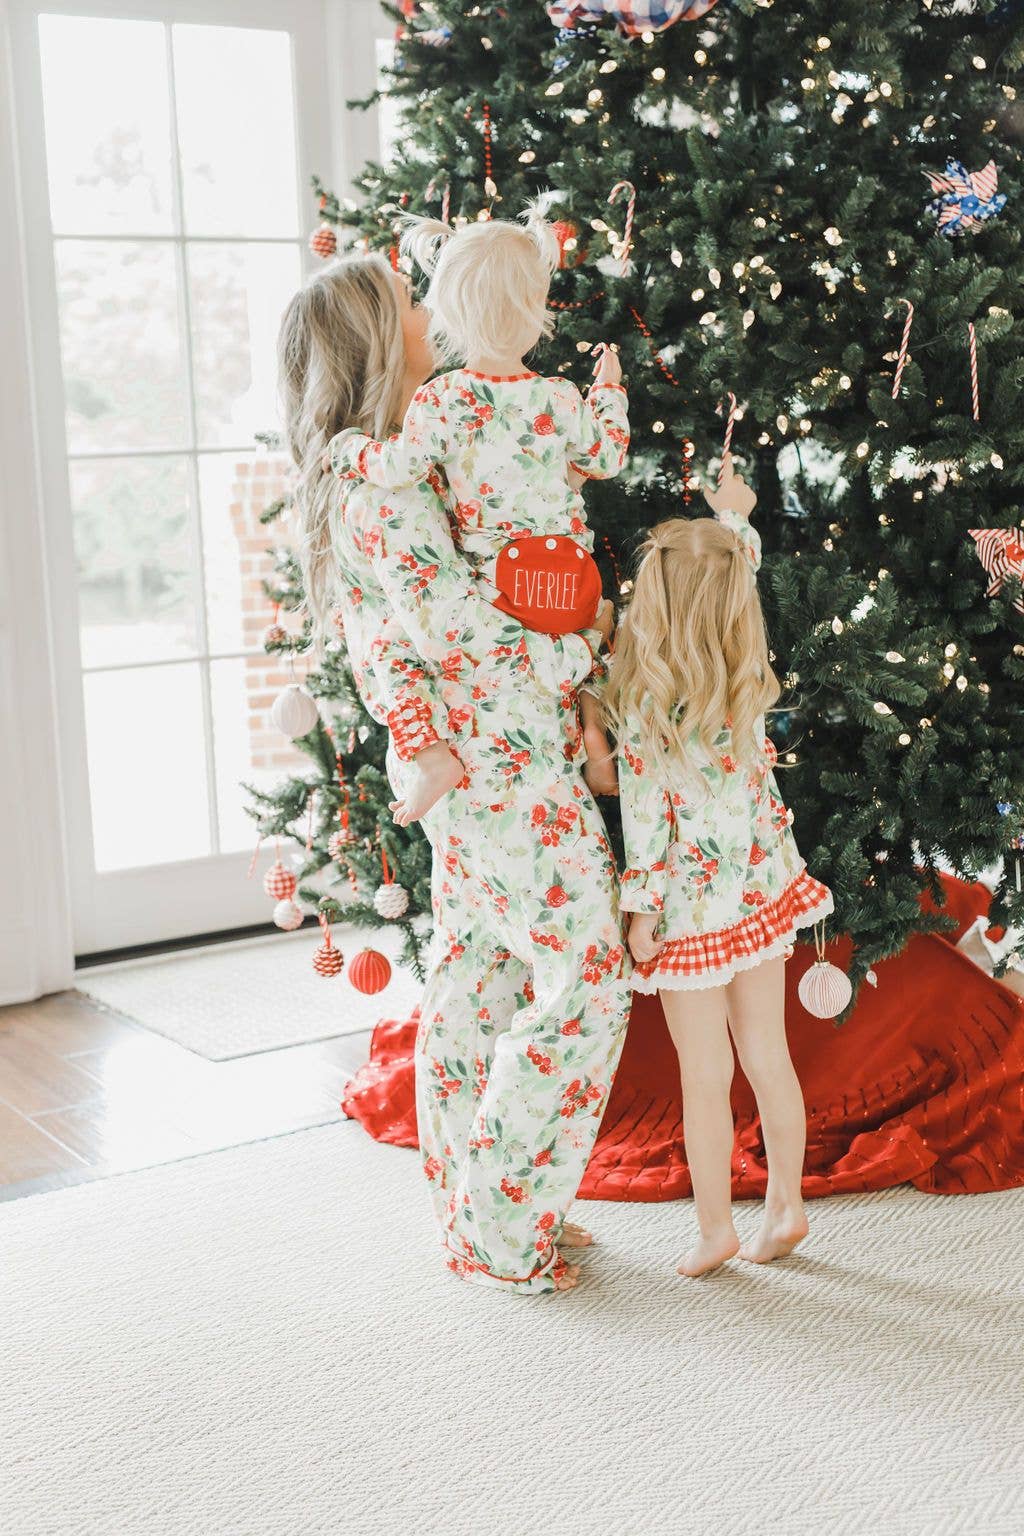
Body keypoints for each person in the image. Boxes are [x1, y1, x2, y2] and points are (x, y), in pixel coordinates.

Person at [279, 254, 631, 1294]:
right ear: (381, 343)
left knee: (480, 966)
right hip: (497, 750)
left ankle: (481, 1208)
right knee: (586, 977)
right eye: (410, 308)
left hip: (476, 755)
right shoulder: (377, 479)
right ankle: (502, 1221)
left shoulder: (378, 460)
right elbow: (449, 624)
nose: (433, 316)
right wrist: (578, 644)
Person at [604, 456, 833, 1277]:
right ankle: (787, 1204)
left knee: (705, 1078)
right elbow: (739, 568)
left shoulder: (639, 703)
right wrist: (733, 516)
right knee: (768, 1057)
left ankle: (714, 1230)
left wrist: (640, 912)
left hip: (692, 915)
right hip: (760, 893)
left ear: (653, 606)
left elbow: (645, 827)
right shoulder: (745, 677)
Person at [325, 210, 629, 818]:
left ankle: (574, 738)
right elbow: (608, 455)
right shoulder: (561, 395)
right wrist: (610, 392)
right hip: (569, 584)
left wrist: (351, 449)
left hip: (507, 589)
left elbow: (399, 465)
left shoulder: (443, 401)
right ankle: (596, 738)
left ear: (453, 313)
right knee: (595, 639)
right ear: (537, 308)